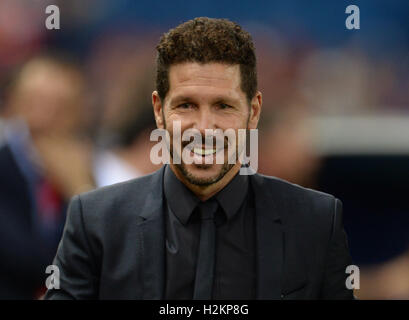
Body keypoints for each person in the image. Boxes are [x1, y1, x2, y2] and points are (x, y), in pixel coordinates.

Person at [45, 18, 354, 300]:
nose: (204, 128)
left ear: (254, 111)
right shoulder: (96, 220)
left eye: (223, 106)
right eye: (186, 105)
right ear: (158, 110)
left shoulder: (316, 221)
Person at [0, 54, 95, 299]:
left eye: (61, 106)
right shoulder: (6, 168)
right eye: (37, 102)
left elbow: (108, 254)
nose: (48, 117)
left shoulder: (92, 165)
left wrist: (80, 187)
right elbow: (30, 262)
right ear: (13, 104)